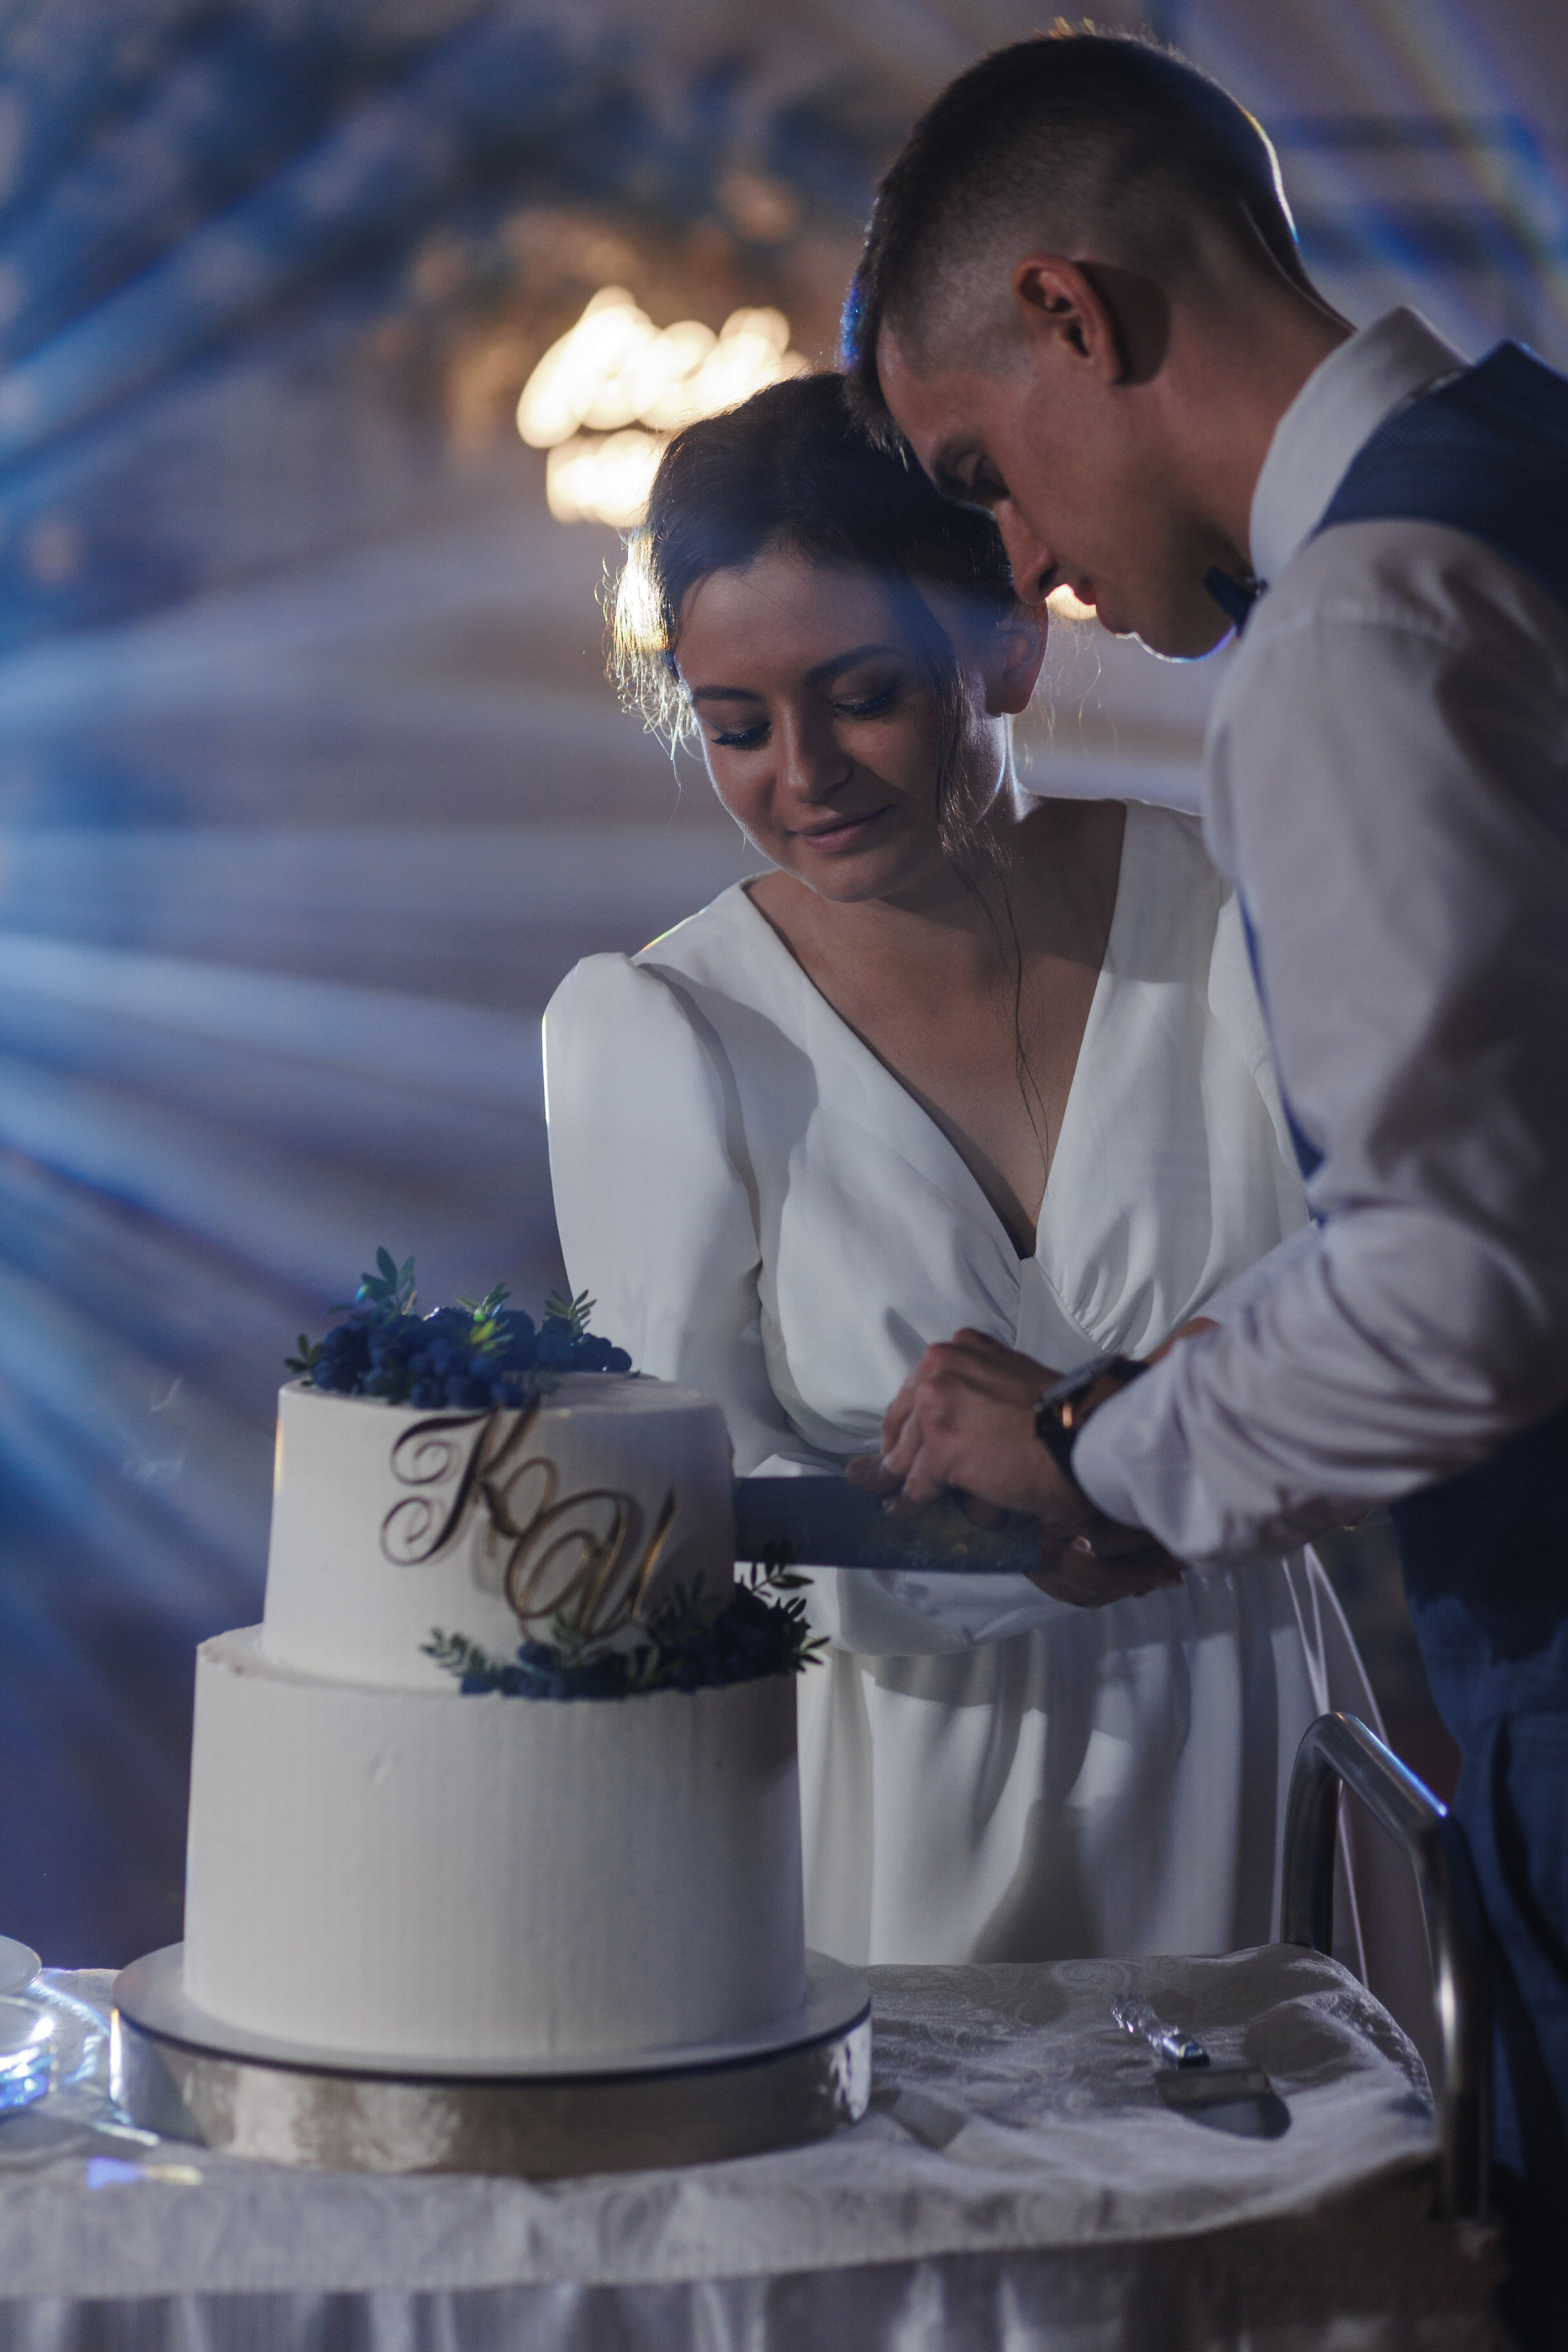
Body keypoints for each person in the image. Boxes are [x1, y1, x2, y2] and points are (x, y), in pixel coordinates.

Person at [842, 26, 1568, 2338]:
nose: (1027, 569)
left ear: (1078, 313)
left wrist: (1099, 1451)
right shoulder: (1538, 458)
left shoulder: (1355, 631)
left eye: (988, 472)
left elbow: (1464, 1293)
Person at [543, 371, 1425, 2018]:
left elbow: (1399, 1294)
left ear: (1005, 645)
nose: (803, 773)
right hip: (887, 1806)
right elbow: (688, 1521)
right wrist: (1011, 1548)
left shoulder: (1234, 903)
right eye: (736, 727)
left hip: (1230, 1733)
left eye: (862, 694)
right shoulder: (661, 1030)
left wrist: (1133, 1455)